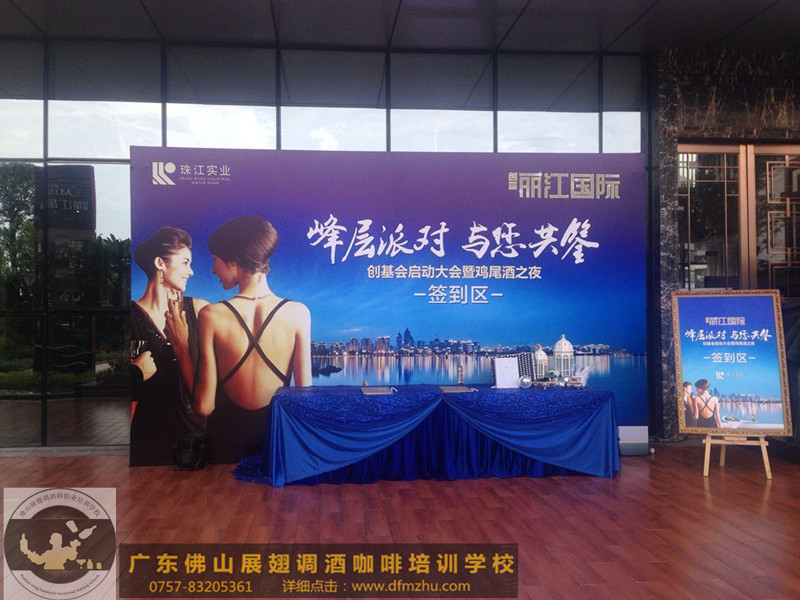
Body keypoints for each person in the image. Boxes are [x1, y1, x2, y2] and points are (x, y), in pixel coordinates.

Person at [194, 215, 312, 464]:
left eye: (214, 260)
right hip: (277, 443)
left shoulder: (210, 315)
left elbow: (204, 406)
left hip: (225, 445)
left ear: (233, 261)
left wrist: (182, 351)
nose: (213, 269)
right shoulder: (298, 313)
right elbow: (304, 400)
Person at [130, 226, 208, 465]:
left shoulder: (200, 310)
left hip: (196, 437)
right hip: (149, 441)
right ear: (160, 263)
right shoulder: (131, 317)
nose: (191, 271)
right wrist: (136, 373)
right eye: (185, 262)